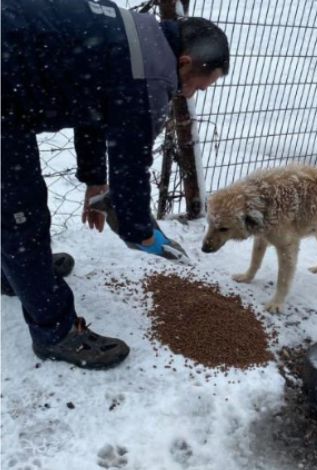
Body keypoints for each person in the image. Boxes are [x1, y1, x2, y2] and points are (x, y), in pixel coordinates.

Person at [1, 0, 230, 369]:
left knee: (14, 205)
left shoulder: (138, 37)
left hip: (9, 81)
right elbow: (132, 162)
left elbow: (92, 104)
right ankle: (55, 332)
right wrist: (140, 231)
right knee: (20, 212)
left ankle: (18, 273)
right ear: (185, 63)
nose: (191, 95)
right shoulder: (152, 76)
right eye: (200, 86)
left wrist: (95, 181)